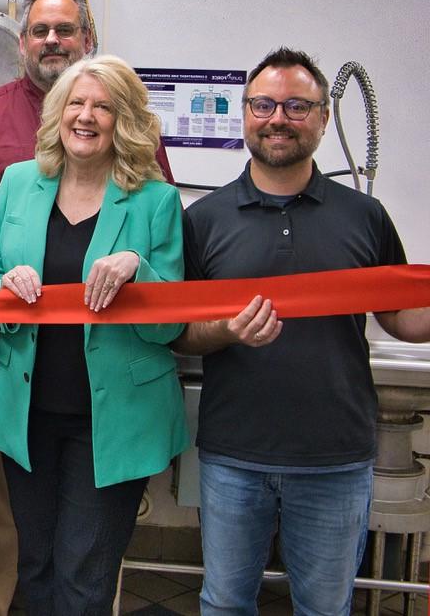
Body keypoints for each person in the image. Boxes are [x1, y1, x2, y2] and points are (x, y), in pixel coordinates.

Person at [0, 0, 173, 615]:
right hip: (26, 409)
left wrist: (138, 268)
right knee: (34, 570)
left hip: (112, 419)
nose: (86, 116)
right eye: (76, 104)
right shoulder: (20, 183)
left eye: (102, 106)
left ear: (122, 118)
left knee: (83, 578)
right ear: (58, 114)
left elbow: (170, 320)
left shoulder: (155, 198)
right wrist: (3, 286)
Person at [174, 48, 430, 616]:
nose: (277, 118)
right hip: (234, 454)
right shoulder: (205, 218)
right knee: (224, 604)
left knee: (324, 607)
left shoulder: (365, 215)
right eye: (263, 104)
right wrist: (227, 330)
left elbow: (400, 316)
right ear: (245, 114)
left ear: (319, 117)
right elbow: (180, 333)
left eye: (296, 105)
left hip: (334, 456)